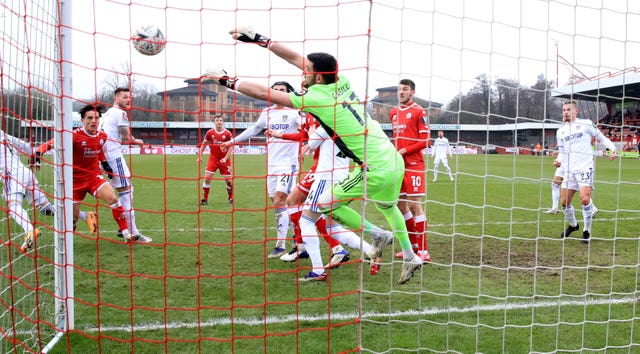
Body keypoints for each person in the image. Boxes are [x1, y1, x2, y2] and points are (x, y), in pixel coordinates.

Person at [207, 25, 422, 284]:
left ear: (317, 77)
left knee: (322, 205)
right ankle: (410, 256)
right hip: (392, 158)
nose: (303, 71)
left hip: (374, 167)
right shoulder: (339, 80)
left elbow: (265, 93)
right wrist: (259, 40)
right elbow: (295, 58)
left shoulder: (315, 98)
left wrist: (227, 81)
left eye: (308, 71)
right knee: (388, 208)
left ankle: (377, 235)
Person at [32, 104, 148, 248]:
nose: (94, 121)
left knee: (113, 199)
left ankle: (126, 234)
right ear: (82, 120)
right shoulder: (73, 135)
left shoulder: (102, 136)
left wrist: (104, 163)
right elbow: (51, 143)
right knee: (73, 218)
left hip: (94, 177)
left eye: (96, 118)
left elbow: (98, 150)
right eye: (90, 118)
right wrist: (38, 153)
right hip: (74, 181)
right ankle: (65, 244)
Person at [220, 81, 302, 259]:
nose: (279, 93)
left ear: (288, 93)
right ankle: (298, 238)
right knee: (279, 204)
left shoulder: (295, 112)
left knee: (281, 199)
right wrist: (232, 141)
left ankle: (282, 244)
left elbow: (306, 131)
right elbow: (254, 129)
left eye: (282, 90)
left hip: (288, 164)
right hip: (271, 164)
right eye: (276, 90)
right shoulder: (267, 113)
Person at [554, 100, 616, 243]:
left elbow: (601, 137)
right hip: (569, 170)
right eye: (563, 110)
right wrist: (558, 161)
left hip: (585, 167)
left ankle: (587, 230)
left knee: (585, 199)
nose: (565, 112)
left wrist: (612, 148)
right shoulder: (561, 131)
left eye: (568, 109)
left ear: (576, 111)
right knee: (564, 203)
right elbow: (562, 152)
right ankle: (573, 225)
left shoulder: (586, 123)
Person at [98, 87, 151, 242]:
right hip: (113, 157)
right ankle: (132, 232)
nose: (128, 100)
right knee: (126, 193)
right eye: (125, 97)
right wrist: (137, 141)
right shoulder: (121, 113)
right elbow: (126, 136)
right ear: (116, 99)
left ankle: (124, 227)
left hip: (102, 156)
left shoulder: (106, 113)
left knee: (128, 188)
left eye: (129, 98)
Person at [389, 80, 432, 263]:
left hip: (414, 165)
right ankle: (412, 248)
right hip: (398, 165)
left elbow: (425, 141)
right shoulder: (393, 112)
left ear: (412, 92)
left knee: (415, 205)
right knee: (400, 205)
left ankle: (424, 251)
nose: (401, 92)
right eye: (399, 89)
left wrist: (404, 151)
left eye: (405, 89)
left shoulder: (419, 111)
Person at [0, 129, 56, 252]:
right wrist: (35, 156)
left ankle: (29, 230)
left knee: (13, 207)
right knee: (46, 209)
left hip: (11, 174)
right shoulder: (3, 134)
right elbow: (24, 146)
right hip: (25, 172)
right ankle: (85, 216)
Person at [198, 114, 233, 205]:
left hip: (224, 161)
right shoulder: (210, 132)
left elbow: (231, 147)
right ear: (214, 122)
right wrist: (200, 156)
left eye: (221, 120)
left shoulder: (228, 133)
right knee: (207, 179)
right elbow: (203, 144)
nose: (219, 122)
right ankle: (205, 199)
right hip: (213, 160)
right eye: (217, 120)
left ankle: (230, 197)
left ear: (223, 122)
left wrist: (225, 158)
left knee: (229, 182)